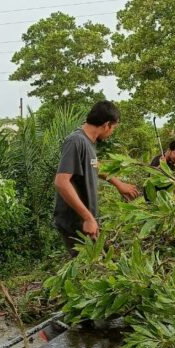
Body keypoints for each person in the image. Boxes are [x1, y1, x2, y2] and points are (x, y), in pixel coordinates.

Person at [53, 100, 138, 253]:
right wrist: (87, 218)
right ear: (106, 125)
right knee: (89, 269)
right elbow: (61, 182)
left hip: (84, 220)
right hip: (75, 222)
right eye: (114, 128)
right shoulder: (76, 141)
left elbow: (94, 165)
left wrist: (118, 184)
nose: (112, 133)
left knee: (100, 263)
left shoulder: (88, 142)